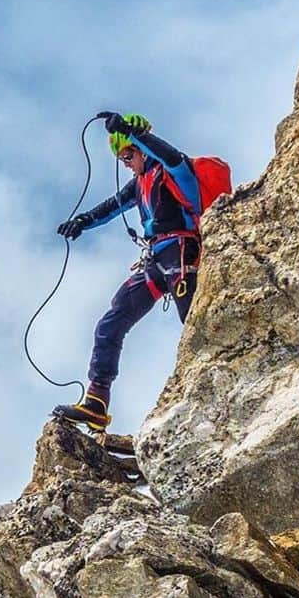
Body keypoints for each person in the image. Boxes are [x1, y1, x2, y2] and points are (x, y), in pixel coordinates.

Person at [54, 111, 203, 431]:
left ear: (141, 148)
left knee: (193, 319)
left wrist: (131, 133)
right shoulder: (139, 186)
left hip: (182, 253)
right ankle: (96, 400)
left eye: (127, 155)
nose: (125, 163)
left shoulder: (176, 171)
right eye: (121, 158)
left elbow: (170, 155)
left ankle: (206, 381)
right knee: (112, 320)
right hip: (158, 261)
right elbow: (110, 208)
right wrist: (81, 222)